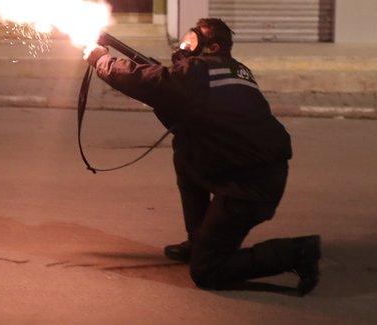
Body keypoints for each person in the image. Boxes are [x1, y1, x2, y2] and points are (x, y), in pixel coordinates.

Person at [85, 18, 321, 294]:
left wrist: (104, 62)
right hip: (250, 170)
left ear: (213, 46)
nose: (186, 42)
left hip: (248, 185)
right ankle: (199, 241)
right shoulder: (236, 70)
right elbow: (176, 99)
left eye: (195, 38)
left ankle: (298, 252)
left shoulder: (200, 70)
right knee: (185, 154)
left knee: (207, 271)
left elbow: (152, 83)